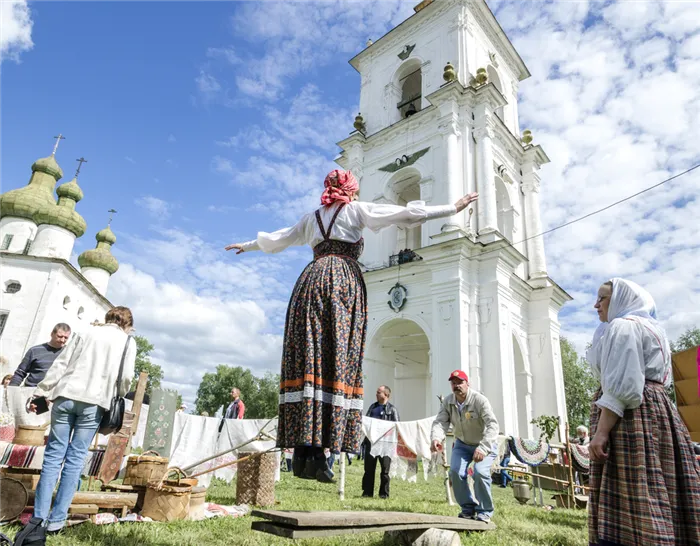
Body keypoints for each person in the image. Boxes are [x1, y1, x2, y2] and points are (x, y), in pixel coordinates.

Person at [226, 169, 478, 484]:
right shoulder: (355, 210)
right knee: (337, 361)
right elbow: (404, 214)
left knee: (310, 359)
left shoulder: (311, 218)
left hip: (311, 281)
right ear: (351, 191)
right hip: (342, 284)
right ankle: (323, 454)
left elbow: (277, 239)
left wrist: (247, 245)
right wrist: (451, 209)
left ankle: (306, 454)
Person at [586, 278, 700, 545]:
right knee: (659, 483)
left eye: (602, 298)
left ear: (621, 300)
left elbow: (623, 385)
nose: (596, 305)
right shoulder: (654, 329)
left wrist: (602, 432)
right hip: (658, 412)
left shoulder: (622, 326)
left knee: (636, 485)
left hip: (630, 417)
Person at [19, 307, 136, 539]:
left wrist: (41, 392)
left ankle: (38, 520)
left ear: (108, 318)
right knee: (74, 460)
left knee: (53, 457)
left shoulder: (85, 331)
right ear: (126, 323)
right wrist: (117, 394)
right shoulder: (127, 342)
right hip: (94, 402)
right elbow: (125, 378)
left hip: (65, 396)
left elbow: (61, 363)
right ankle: (56, 521)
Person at [431, 370, 499, 523]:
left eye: (460, 382)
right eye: (453, 383)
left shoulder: (480, 400)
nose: (456, 386)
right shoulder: (448, 402)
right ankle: (467, 509)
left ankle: (485, 511)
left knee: (480, 473)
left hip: (484, 444)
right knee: (455, 472)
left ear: (468, 384)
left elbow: (493, 425)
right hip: (462, 444)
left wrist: (483, 447)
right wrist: (436, 438)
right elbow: (440, 422)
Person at [362, 385, 399, 498]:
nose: (376, 394)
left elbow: (397, 427)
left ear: (386, 395)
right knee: (369, 469)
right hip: (372, 443)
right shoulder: (372, 407)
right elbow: (366, 422)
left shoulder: (392, 410)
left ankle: (384, 494)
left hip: (386, 445)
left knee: (385, 471)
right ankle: (367, 493)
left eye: (379, 392)